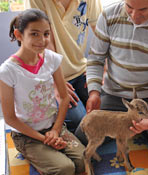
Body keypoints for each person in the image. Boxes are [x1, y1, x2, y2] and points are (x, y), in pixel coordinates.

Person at [75, 0, 148, 159]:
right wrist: (94, 93)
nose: (134, 15)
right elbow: (95, 60)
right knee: (82, 138)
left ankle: (139, 128)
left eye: (143, 9)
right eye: (129, 7)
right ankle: (133, 128)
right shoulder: (108, 15)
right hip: (114, 95)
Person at [0, 9, 85, 174]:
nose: (42, 40)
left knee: (83, 159)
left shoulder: (52, 58)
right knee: (65, 168)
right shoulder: (7, 71)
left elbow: (64, 97)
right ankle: (38, 158)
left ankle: (49, 156)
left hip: (54, 127)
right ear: (18, 35)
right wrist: (45, 139)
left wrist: (55, 130)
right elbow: (10, 118)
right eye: (34, 34)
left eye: (46, 34)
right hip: (28, 136)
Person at [24, 0, 103, 133]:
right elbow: (43, 43)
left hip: (82, 70)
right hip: (53, 75)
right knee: (79, 121)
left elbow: (102, 34)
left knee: (107, 109)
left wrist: (102, 69)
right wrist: (56, 82)